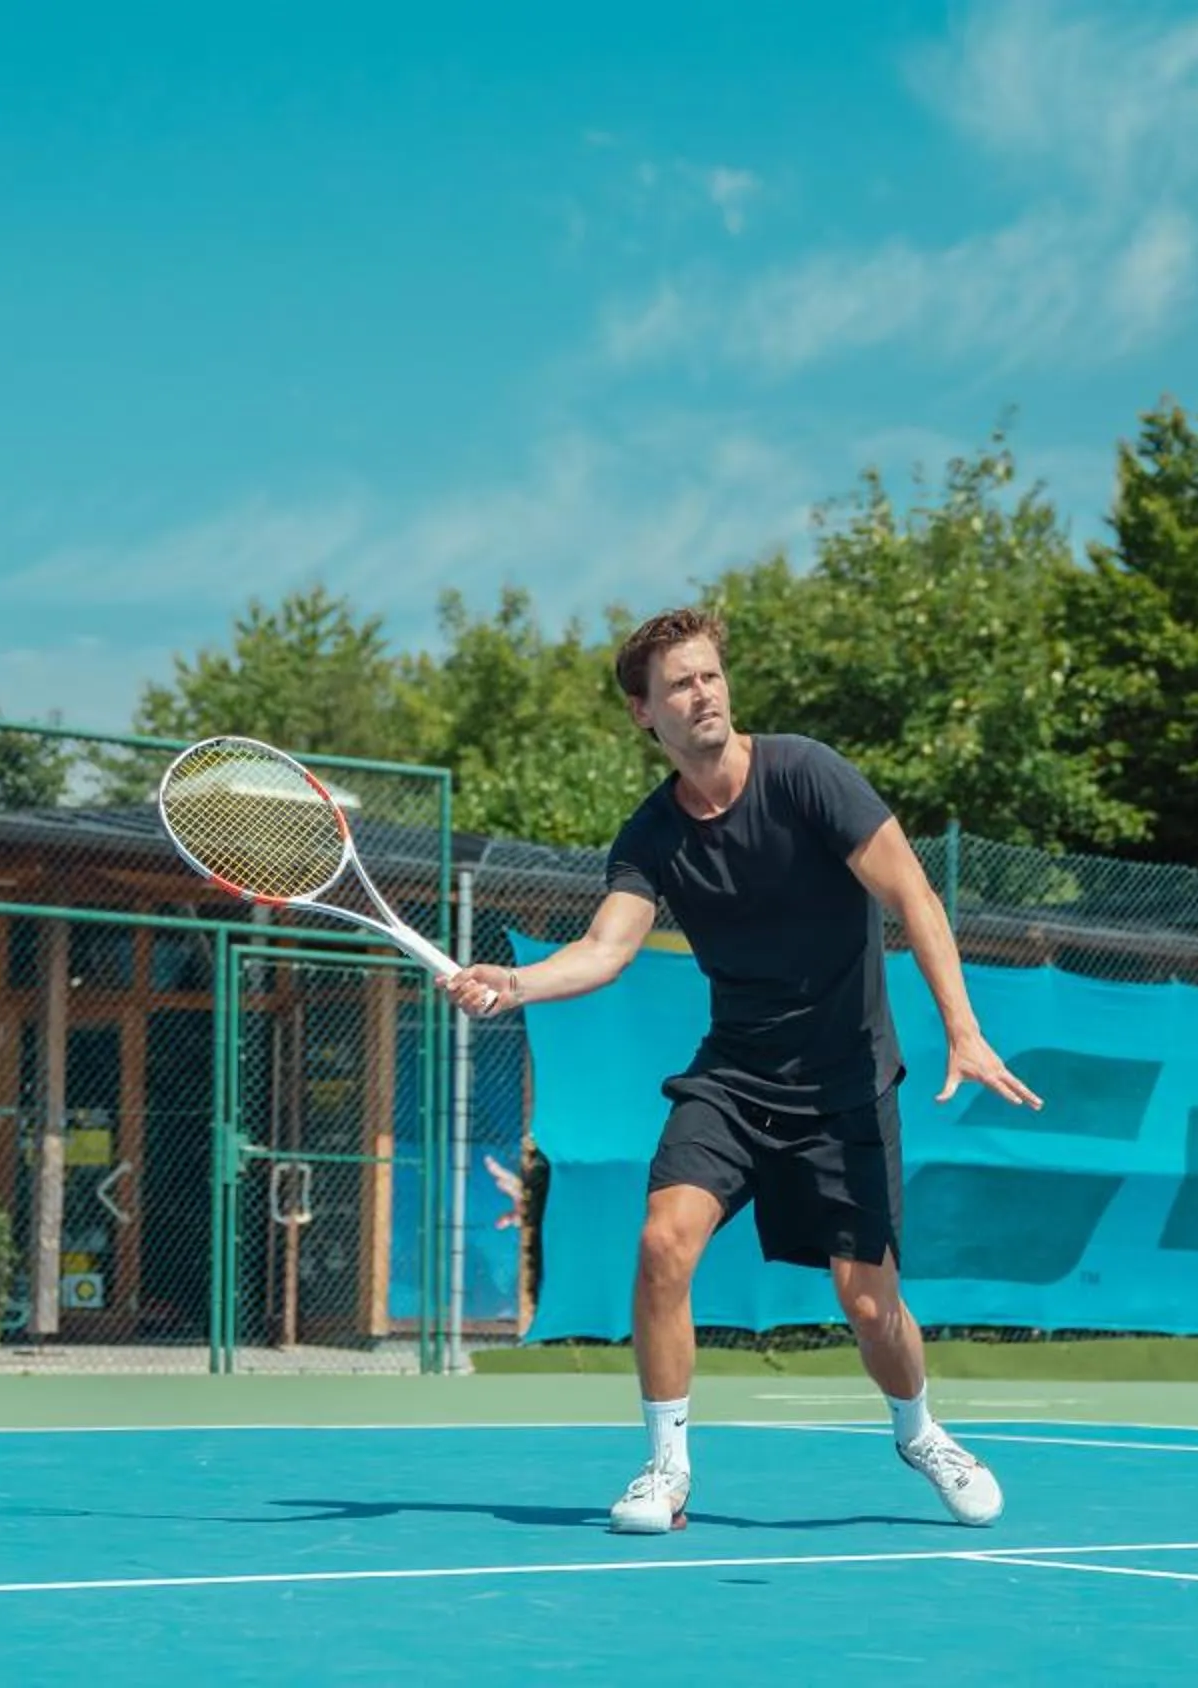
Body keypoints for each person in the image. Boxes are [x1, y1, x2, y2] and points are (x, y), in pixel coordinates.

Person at [443, 605, 1044, 1535]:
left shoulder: (807, 775)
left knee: (869, 1302)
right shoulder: (650, 836)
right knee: (661, 1242)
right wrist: (513, 984)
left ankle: (920, 1431)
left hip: (846, 1082)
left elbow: (913, 894)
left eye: (710, 675)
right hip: (733, 1080)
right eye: (679, 684)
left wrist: (962, 1030)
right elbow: (607, 950)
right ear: (646, 714)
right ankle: (666, 1470)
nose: (702, 693)